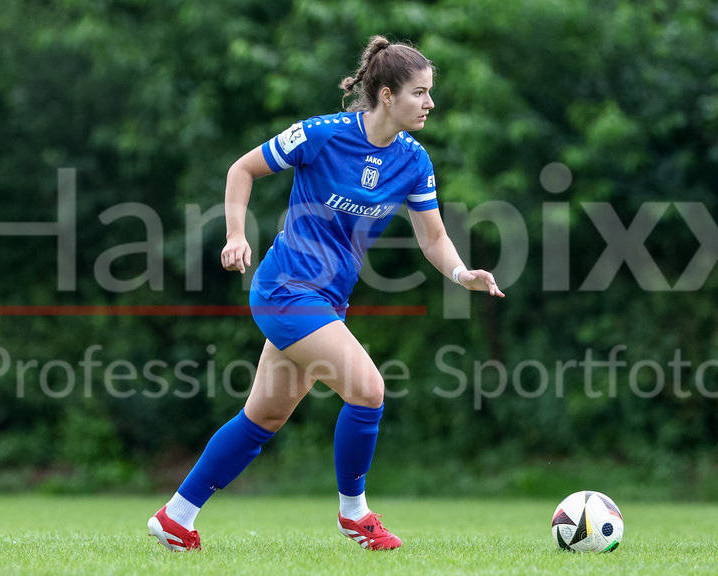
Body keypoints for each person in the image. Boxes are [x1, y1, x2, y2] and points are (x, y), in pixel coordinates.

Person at [147, 35, 505, 552]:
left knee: (262, 419)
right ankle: (353, 514)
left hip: (326, 300)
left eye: (430, 93)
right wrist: (234, 234)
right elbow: (241, 169)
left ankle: (176, 516)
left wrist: (462, 274)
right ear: (386, 95)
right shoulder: (322, 134)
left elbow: (434, 238)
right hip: (285, 290)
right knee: (369, 389)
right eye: (420, 93)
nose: (430, 103)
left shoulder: (414, 160)